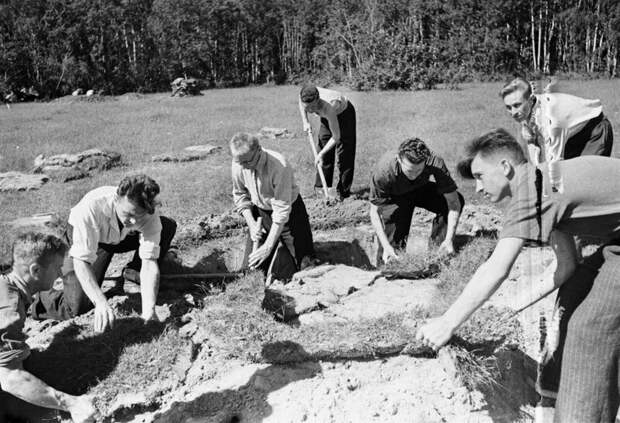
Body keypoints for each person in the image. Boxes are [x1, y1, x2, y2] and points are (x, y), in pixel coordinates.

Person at [417, 128, 620, 422]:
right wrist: (511, 308)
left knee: (590, 327)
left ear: (505, 167)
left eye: (480, 176)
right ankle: (555, 396)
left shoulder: (530, 191)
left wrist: (446, 323)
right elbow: (565, 267)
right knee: (575, 292)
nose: (477, 189)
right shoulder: (544, 182)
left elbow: (496, 267)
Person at [30, 174, 177, 332]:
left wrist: (149, 311)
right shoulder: (90, 208)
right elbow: (81, 262)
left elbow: (149, 262)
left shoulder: (147, 212)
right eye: (128, 214)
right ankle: (35, 300)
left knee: (166, 226)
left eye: (138, 216)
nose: (133, 222)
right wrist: (100, 302)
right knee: (76, 306)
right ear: (116, 199)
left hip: (120, 238)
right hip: (90, 241)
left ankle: (133, 274)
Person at [0, 232, 98, 423]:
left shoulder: (7, 287)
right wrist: (71, 403)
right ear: (36, 270)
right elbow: (10, 378)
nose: (61, 274)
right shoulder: (8, 311)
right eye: (57, 268)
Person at [501, 77, 614, 192]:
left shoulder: (551, 121)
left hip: (595, 129)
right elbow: (532, 144)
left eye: (516, 105)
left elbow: (555, 162)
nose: (513, 112)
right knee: (568, 181)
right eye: (508, 107)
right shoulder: (526, 110)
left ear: (530, 100)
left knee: (585, 183)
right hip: (572, 134)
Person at [231, 132, 314, 283]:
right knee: (253, 268)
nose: (244, 167)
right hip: (261, 213)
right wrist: (251, 224)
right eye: (239, 162)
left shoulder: (279, 166)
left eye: (247, 162)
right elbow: (240, 195)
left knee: (306, 265)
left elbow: (282, 211)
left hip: (291, 212)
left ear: (258, 150)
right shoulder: (239, 163)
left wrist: (269, 246)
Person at [369, 137, 464, 263]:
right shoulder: (384, 172)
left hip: (420, 188)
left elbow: (453, 202)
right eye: (409, 170)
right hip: (396, 196)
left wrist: (449, 239)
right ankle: (389, 265)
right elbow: (375, 212)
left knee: (455, 200)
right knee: (392, 249)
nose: (414, 175)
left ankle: (439, 254)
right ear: (399, 159)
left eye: (419, 170)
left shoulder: (435, 162)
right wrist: (387, 246)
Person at [298, 84, 356, 200]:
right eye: (307, 108)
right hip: (326, 116)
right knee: (323, 146)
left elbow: (336, 137)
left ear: (318, 101)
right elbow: (300, 103)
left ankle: (343, 192)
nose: (310, 111)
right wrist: (305, 122)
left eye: (312, 108)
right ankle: (321, 190)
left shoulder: (330, 106)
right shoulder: (304, 95)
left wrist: (321, 154)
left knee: (345, 153)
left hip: (344, 115)